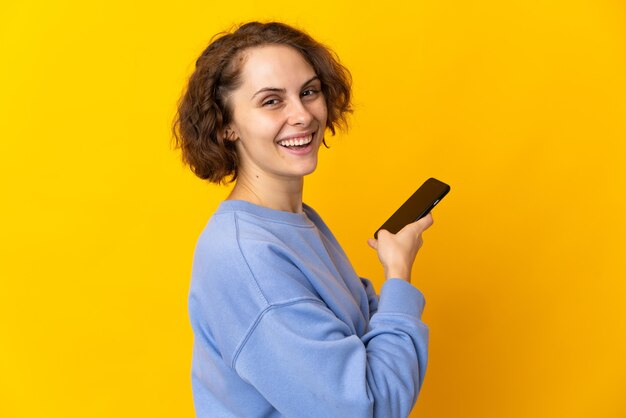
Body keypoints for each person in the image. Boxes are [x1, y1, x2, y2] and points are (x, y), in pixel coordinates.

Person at [172, 21, 435, 418]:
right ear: (226, 125)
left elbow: (360, 335)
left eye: (309, 92)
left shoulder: (294, 222)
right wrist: (398, 272)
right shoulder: (247, 256)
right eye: (271, 101)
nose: (303, 115)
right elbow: (371, 407)